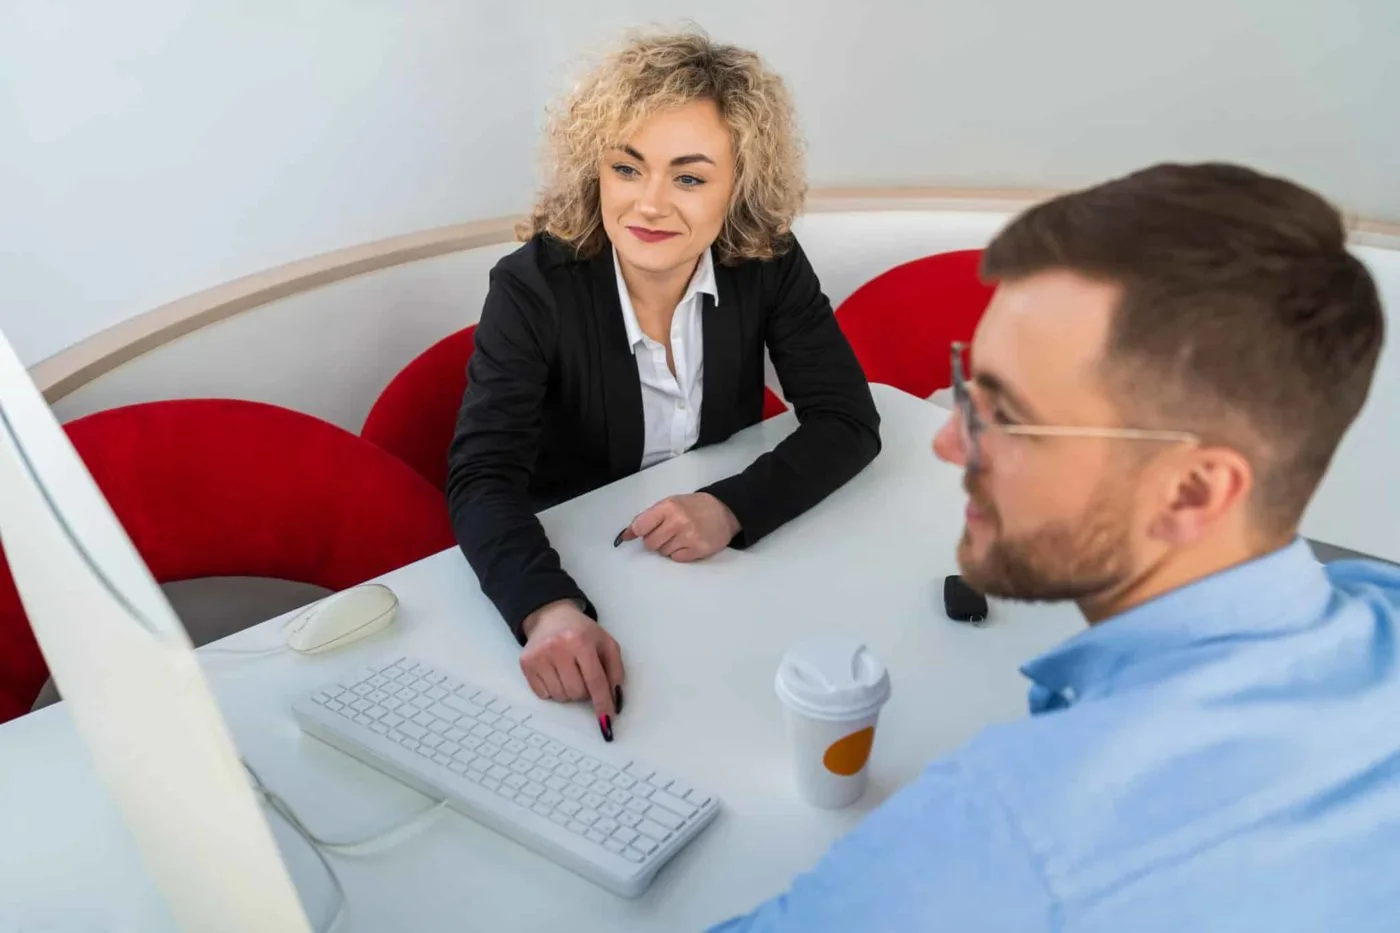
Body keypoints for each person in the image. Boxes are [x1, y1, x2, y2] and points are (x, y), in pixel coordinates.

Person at [710, 162, 1398, 931]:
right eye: (964, 385)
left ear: (1194, 490)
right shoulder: (1382, 606)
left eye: (1009, 416)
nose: (948, 439)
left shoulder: (1011, 848)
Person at [446, 30, 879, 734]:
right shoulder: (532, 288)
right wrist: (548, 608)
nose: (648, 204)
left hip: (722, 579)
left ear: (739, 185)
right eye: (627, 167)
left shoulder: (768, 262)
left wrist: (733, 505)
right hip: (587, 565)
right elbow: (481, 475)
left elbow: (847, 420)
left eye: (689, 176)